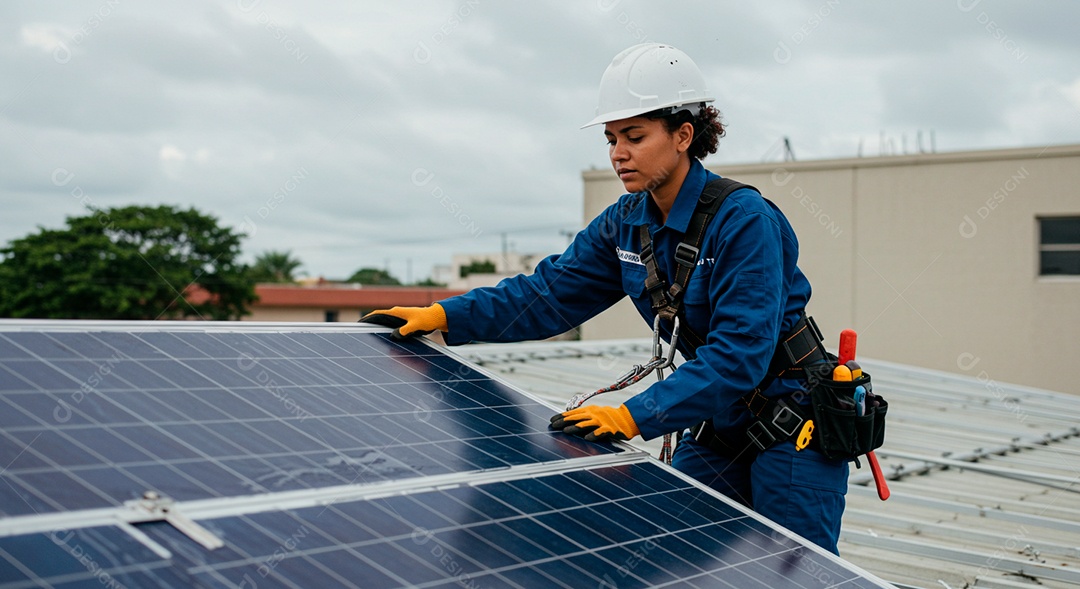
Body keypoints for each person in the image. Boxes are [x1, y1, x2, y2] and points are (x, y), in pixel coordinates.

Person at [363, 43, 847, 553]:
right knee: (662, 540)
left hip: (792, 423)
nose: (618, 153)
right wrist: (446, 314)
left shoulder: (744, 221)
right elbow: (546, 295)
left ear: (684, 135)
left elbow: (740, 355)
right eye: (612, 138)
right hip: (719, 420)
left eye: (635, 137)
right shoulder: (626, 223)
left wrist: (632, 416)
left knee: (796, 571)